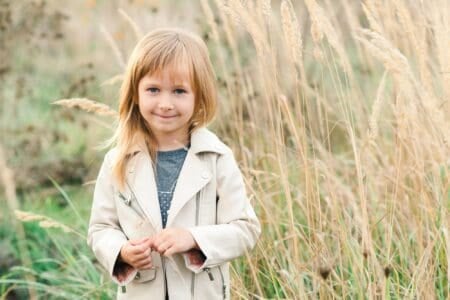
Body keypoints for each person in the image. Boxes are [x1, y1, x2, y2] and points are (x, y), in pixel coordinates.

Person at [87, 28, 261, 300]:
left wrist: (193, 238)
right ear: (136, 93)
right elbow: (100, 229)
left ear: (199, 96)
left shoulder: (216, 158)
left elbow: (245, 228)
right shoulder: (117, 161)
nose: (165, 103)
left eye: (179, 91)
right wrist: (121, 251)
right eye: (153, 89)